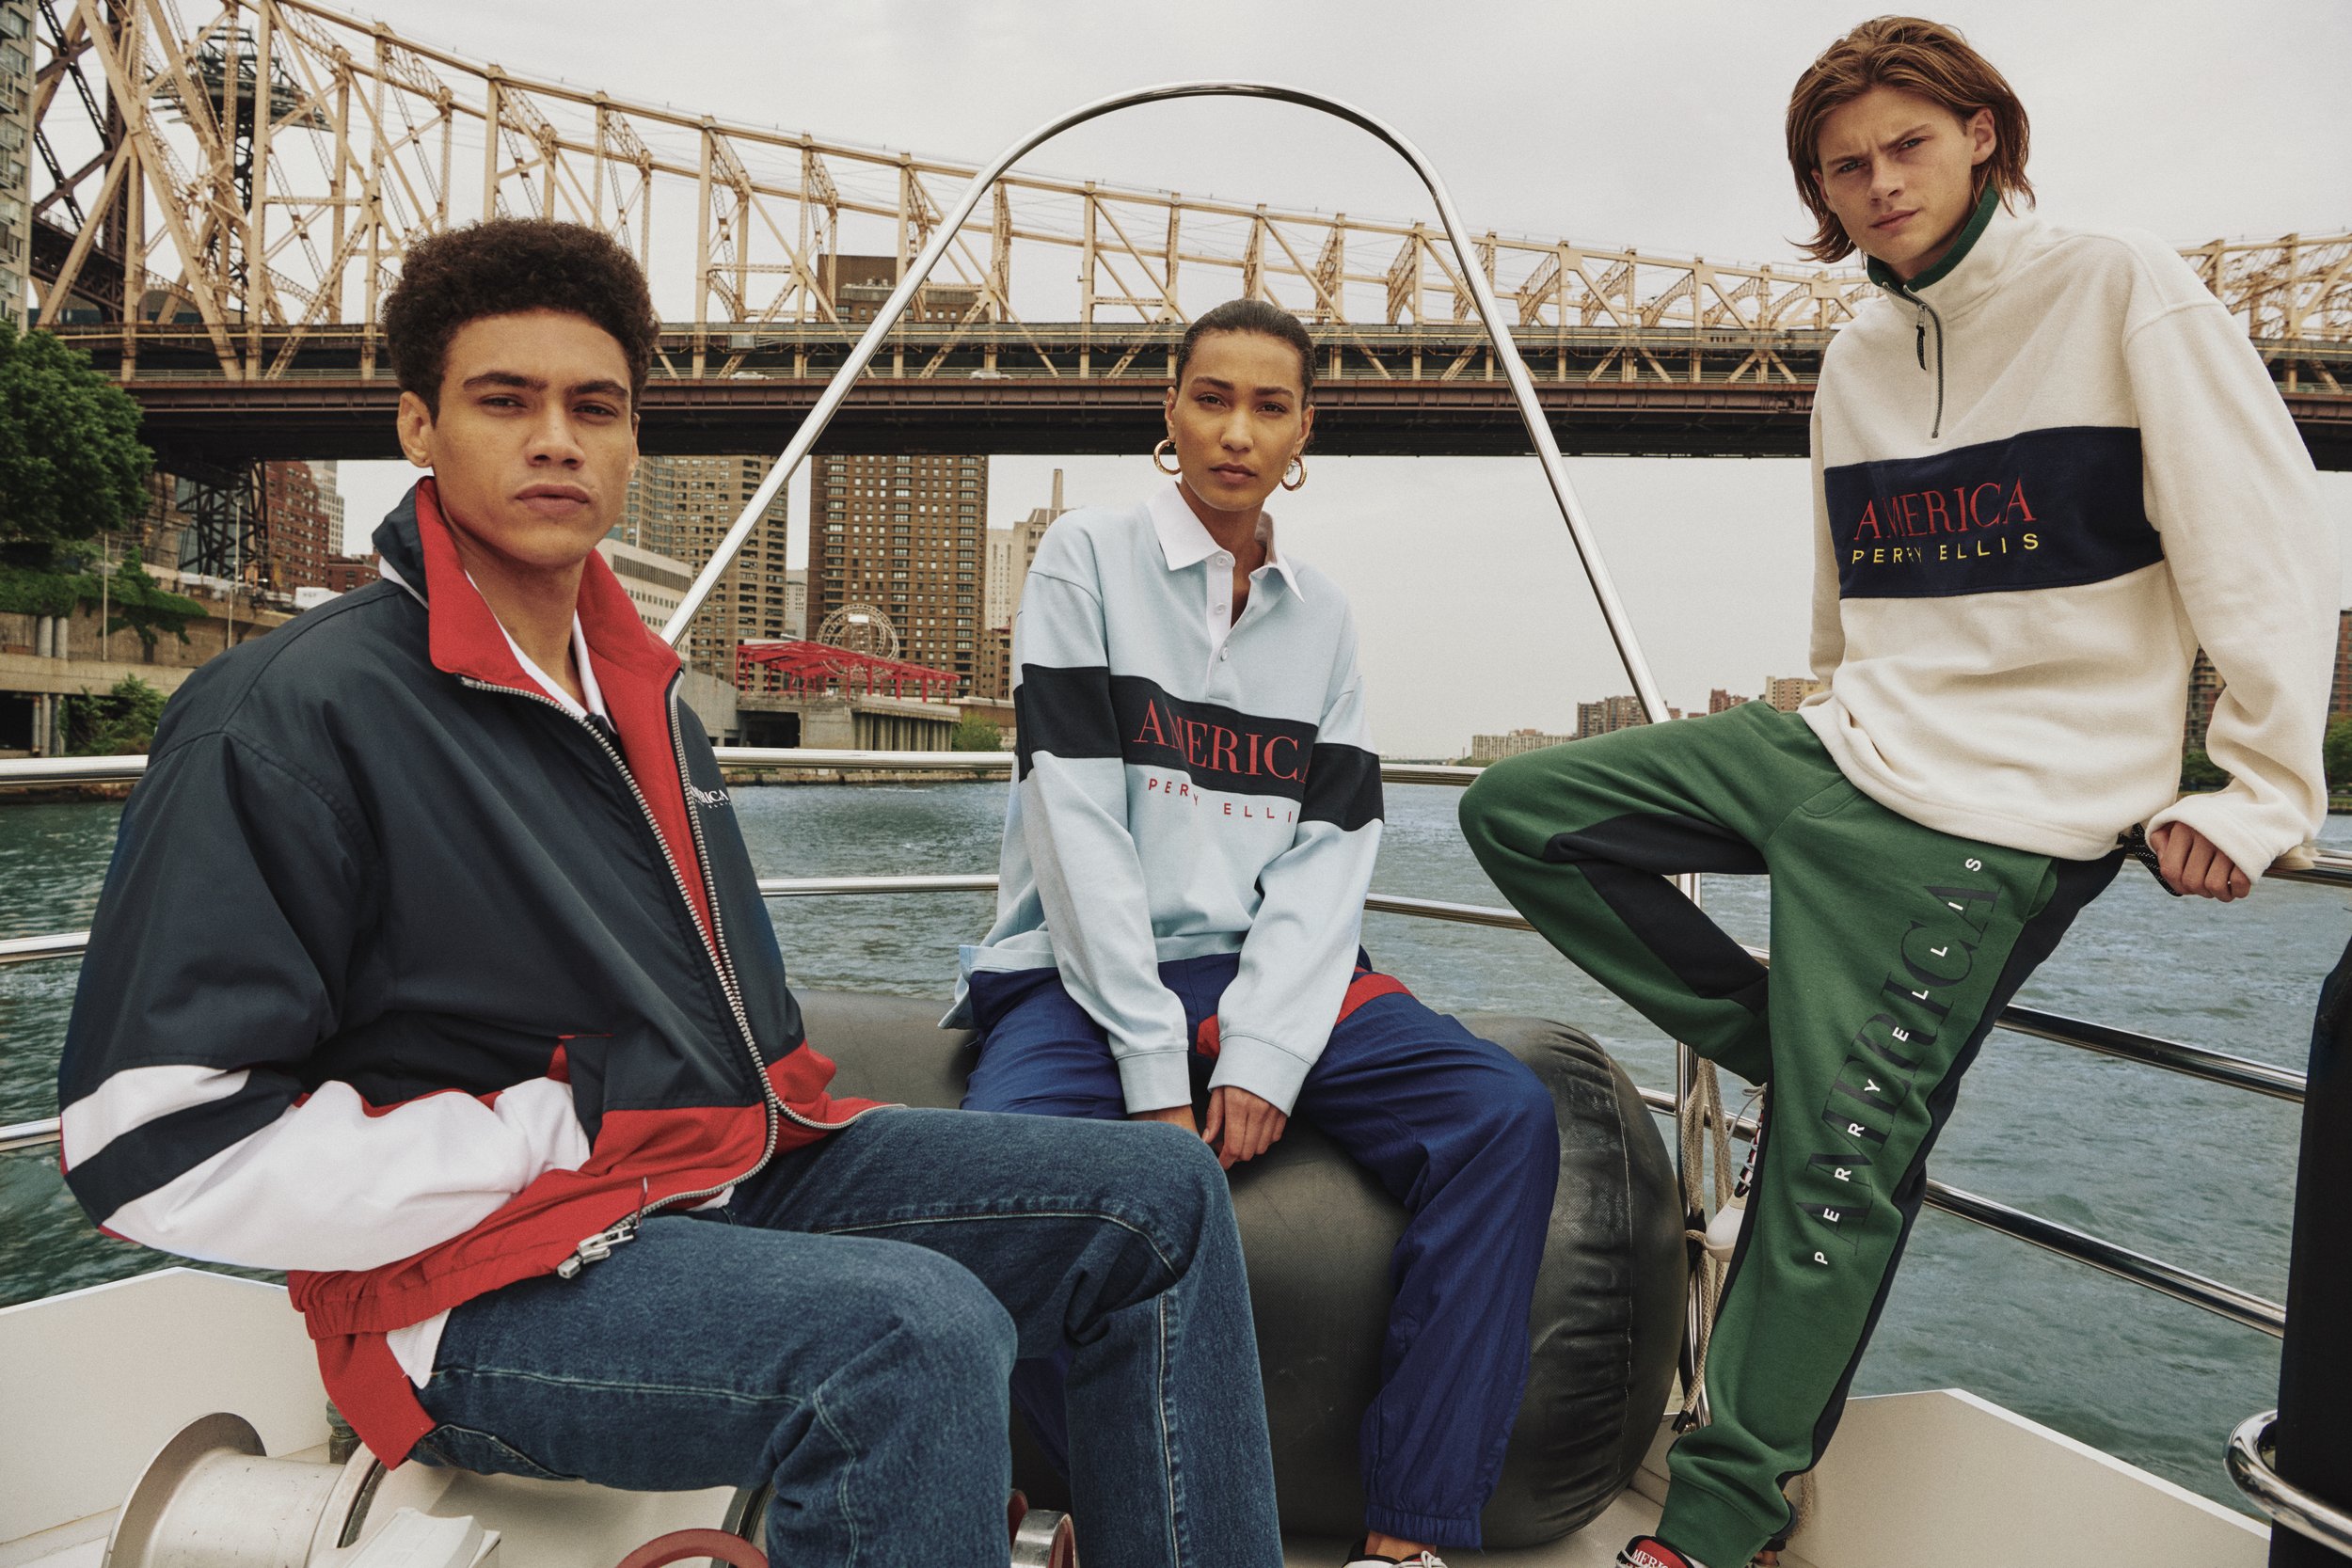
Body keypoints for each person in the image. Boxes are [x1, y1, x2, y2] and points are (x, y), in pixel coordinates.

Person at [55, 218, 1283, 1568]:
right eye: (503, 401)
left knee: (1159, 1197)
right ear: (418, 425)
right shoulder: (291, 716)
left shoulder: (645, 696)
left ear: (635, 444)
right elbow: (146, 1144)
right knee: (913, 1336)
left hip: (715, 1183)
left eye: (596, 408)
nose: (556, 440)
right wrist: (537, 1136)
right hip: (473, 1292)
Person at [1457, 17, 2336, 1568]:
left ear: (1984, 134)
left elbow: (2256, 535)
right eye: (1843, 166)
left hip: (2016, 804)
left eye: (1906, 146)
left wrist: (2263, 786)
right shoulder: (1855, 349)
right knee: (1518, 815)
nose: (1876, 184)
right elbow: (1848, 579)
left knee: (1832, 1168)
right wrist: (1830, 702)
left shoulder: (2124, 285)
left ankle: (1713, 1528)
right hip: (1852, 737)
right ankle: (1808, 1034)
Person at [949, 298, 1561, 1568]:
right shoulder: (1086, 557)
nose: (1236, 431)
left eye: (1268, 406)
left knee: (1502, 1117)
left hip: (1266, 973)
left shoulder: (1323, 618)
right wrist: (1152, 1071)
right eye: (1210, 398)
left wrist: (1268, 1053)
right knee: (1007, 1175)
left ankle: (1411, 1532)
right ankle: (1099, 1500)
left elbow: (1328, 854)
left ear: (1304, 433)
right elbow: (1079, 827)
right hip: (1077, 975)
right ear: (1168, 414)